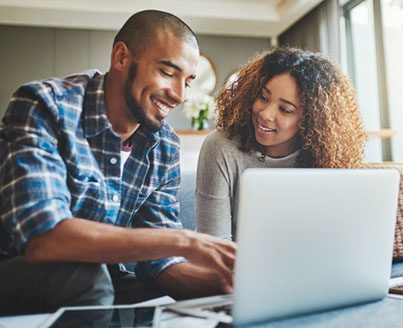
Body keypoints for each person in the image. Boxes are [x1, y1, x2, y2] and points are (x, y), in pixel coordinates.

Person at [0, 10, 236, 315]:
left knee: (161, 300)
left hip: (99, 279)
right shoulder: (44, 105)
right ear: (121, 58)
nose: (179, 95)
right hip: (17, 268)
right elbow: (44, 238)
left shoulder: (163, 145)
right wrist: (183, 240)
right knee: (89, 278)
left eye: (187, 82)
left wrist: (226, 283)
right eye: (167, 72)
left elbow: (158, 264)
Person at [196, 47, 366, 240]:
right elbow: (214, 244)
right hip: (234, 266)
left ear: (310, 120)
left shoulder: (326, 158)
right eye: (263, 97)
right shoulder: (221, 146)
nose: (265, 114)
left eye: (285, 109)